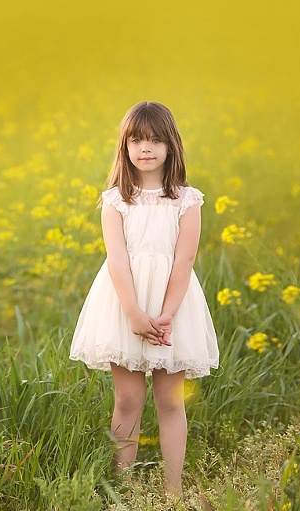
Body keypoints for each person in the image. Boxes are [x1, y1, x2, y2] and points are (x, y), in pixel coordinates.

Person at [69, 101, 219, 499]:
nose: (145, 148)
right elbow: (116, 258)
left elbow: (185, 260)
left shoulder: (187, 200)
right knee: (128, 399)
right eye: (136, 139)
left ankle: (173, 492)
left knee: (170, 401)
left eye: (154, 139)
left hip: (174, 303)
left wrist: (167, 314)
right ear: (125, 146)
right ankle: (125, 488)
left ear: (171, 145)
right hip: (124, 304)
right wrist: (134, 313)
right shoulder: (117, 199)